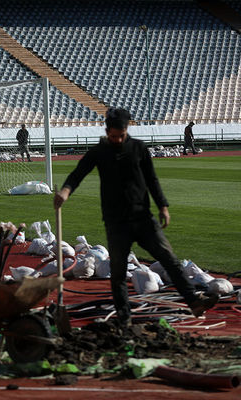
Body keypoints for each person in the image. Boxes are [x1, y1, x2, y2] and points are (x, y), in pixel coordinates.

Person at [54, 108, 218, 326]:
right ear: (106, 131)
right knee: (119, 273)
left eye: (121, 136)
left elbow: (152, 179)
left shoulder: (138, 148)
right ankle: (125, 319)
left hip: (143, 218)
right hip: (116, 222)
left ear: (127, 129)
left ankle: (194, 301)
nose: (117, 140)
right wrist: (65, 192)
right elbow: (78, 173)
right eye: (113, 136)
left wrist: (163, 206)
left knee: (169, 259)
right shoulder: (100, 151)